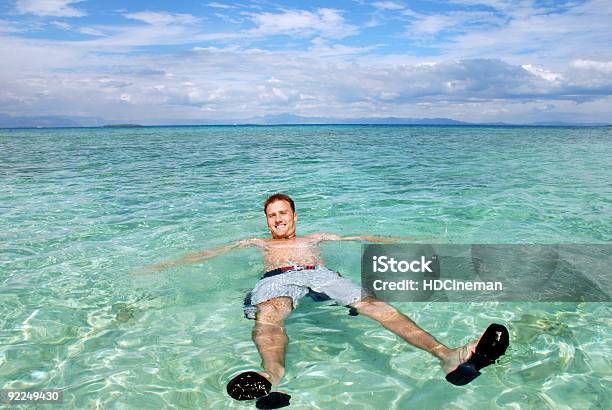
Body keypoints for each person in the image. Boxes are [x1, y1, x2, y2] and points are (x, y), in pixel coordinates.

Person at [149, 193, 509, 404]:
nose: (277, 220)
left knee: (374, 304)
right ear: (266, 221)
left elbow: (361, 237)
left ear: (294, 216)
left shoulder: (317, 238)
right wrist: (162, 266)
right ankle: (270, 376)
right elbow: (209, 254)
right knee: (270, 314)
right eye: (271, 216)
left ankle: (448, 356)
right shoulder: (257, 243)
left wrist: (418, 239)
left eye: (282, 214)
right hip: (278, 281)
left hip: (321, 276)